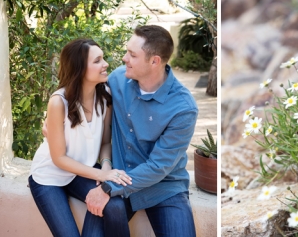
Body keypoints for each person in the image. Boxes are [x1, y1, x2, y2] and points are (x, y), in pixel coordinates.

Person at [44, 25, 199, 236]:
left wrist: (108, 188)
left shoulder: (183, 108)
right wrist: (55, 124)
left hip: (163, 188)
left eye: (132, 55)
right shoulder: (116, 80)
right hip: (118, 178)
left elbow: (158, 166)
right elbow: (80, 88)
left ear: (154, 61)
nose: (124, 58)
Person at [29, 38, 133, 237]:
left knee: (116, 205)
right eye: (97, 61)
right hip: (49, 176)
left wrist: (106, 168)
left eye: (103, 59)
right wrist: (100, 176)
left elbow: (104, 142)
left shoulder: (105, 97)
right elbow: (59, 158)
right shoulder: (59, 102)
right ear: (79, 68)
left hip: (81, 172)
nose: (105, 64)